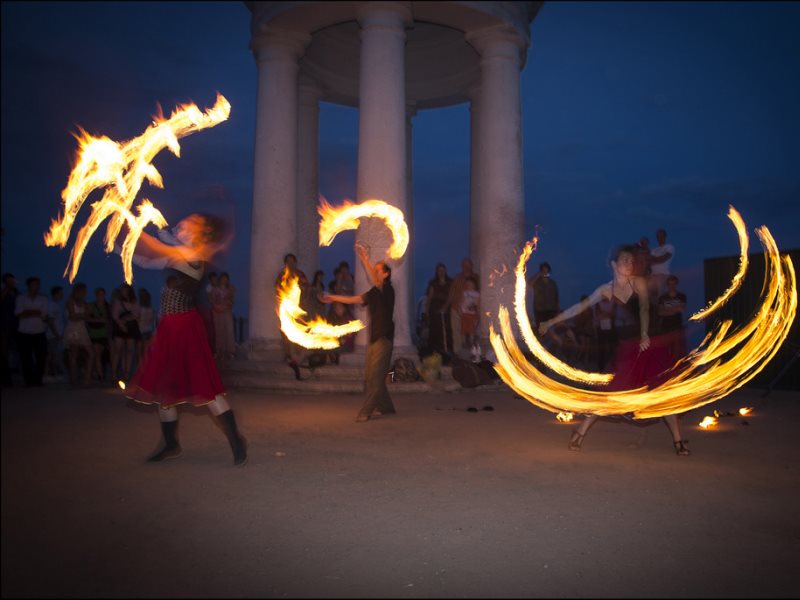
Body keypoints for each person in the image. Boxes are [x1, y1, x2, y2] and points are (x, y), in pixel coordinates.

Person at [540, 245, 691, 457]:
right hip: (629, 348)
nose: (629, 264)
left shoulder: (637, 282)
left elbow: (645, 308)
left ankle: (678, 439)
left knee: (661, 393)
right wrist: (551, 321)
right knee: (612, 394)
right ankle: (580, 432)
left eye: (631, 261)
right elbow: (578, 308)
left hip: (650, 344)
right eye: (624, 260)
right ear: (614, 264)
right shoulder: (605, 289)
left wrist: (646, 333)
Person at [124, 212, 247, 466]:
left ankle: (236, 439)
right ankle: (171, 444)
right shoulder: (178, 254)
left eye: (188, 224)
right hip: (169, 328)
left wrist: (133, 228)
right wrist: (122, 249)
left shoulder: (193, 257)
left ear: (198, 234)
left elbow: (158, 250)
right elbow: (147, 261)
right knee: (163, 389)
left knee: (207, 389)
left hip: (185, 329)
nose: (181, 225)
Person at [321, 241, 396, 422]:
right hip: (374, 338)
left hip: (384, 339)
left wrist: (364, 258)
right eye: (375, 269)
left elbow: (374, 279)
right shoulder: (373, 293)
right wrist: (333, 298)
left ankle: (366, 411)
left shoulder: (387, 289)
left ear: (385, 274)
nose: (375, 272)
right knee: (371, 377)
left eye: (379, 270)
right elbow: (353, 299)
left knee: (376, 377)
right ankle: (386, 407)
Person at [14, 276, 48, 386]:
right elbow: (18, 313)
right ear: (28, 285)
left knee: (41, 357)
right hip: (25, 332)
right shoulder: (21, 298)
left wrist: (27, 312)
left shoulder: (43, 299)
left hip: (39, 331)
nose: (36, 286)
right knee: (26, 357)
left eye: (37, 284)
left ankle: (38, 380)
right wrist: (35, 312)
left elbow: (44, 313)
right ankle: (28, 381)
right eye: (34, 284)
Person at [445, 258, 478, 358]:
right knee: (457, 332)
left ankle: (472, 355)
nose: (466, 267)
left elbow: (481, 294)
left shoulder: (477, 278)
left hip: (471, 312)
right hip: (456, 309)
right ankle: (458, 354)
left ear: (472, 266)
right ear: (462, 266)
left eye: (468, 265)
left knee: (472, 333)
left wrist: (478, 311)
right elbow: (451, 294)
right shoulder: (457, 278)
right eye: (464, 265)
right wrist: (446, 307)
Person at [63, 282, 95, 386]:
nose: (85, 293)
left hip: (81, 328)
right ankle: (73, 379)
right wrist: (84, 315)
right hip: (73, 329)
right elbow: (73, 317)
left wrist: (81, 315)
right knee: (73, 354)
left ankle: (87, 378)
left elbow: (86, 316)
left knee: (91, 353)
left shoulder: (84, 303)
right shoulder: (70, 301)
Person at [111, 283, 141, 382]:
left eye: (125, 289)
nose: (124, 291)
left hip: (131, 327)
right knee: (117, 350)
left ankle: (126, 374)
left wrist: (126, 319)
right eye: (122, 290)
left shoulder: (134, 301)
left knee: (129, 351)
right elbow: (114, 315)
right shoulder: (118, 301)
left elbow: (137, 314)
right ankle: (114, 373)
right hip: (120, 327)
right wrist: (121, 324)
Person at [657, 274, 688, 363]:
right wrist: (675, 308)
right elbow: (660, 312)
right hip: (665, 328)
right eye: (670, 284)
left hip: (677, 327)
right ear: (667, 285)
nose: (672, 286)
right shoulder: (662, 298)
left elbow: (681, 308)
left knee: (678, 352)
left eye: (673, 284)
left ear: (676, 284)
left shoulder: (681, 296)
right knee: (666, 352)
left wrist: (666, 308)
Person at [425, 263, 453, 358]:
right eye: (439, 270)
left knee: (446, 330)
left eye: (442, 270)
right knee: (434, 330)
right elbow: (429, 297)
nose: (441, 272)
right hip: (435, 309)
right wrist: (427, 311)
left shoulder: (450, 282)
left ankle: (446, 351)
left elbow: (450, 296)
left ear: (445, 271)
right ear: (436, 271)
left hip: (446, 310)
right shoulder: (433, 283)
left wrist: (445, 307)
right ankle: (434, 352)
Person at [87, 287, 112, 382]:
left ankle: (99, 374)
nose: (100, 296)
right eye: (99, 294)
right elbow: (87, 318)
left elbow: (109, 321)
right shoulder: (91, 306)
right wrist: (98, 320)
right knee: (96, 354)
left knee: (101, 354)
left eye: (102, 294)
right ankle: (100, 375)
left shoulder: (107, 306)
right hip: (94, 333)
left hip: (104, 333)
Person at [211, 272, 237, 360]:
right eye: (223, 279)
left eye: (226, 279)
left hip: (227, 311)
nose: (224, 280)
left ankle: (230, 351)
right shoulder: (215, 289)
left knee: (229, 331)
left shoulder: (231, 289)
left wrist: (227, 304)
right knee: (219, 332)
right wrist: (217, 306)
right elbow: (212, 300)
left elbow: (232, 300)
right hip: (217, 312)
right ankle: (219, 351)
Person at [45, 285, 66, 382]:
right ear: (56, 293)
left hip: (57, 333)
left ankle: (54, 373)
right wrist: (56, 334)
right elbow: (50, 320)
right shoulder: (51, 305)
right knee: (51, 354)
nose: (62, 294)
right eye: (61, 292)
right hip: (53, 334)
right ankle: (47, 374)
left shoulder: (58, 305)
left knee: (55, 354)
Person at [1, 273, 19, 386]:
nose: (11, 283)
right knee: (4, 352)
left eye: (12, 281)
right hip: (4, 325)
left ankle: (10, 376)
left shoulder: (17, 293)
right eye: (9, 281)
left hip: (16, 325)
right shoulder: (4, 292)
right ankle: (6, 379)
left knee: (15, 351)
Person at [529, 262, 560, 327]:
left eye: (547, 271)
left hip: (551, 310)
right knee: (541, 330)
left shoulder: (552, 283)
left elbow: (556, 297)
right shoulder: (537, 282)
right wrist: (538, 274)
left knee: (551, 329)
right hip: (540, 311)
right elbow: (529, 283)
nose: (545, 273)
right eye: (543, 271)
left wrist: (557, 311)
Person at [649, 228, 675, 302]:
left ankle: (662, 312)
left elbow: (663, 258)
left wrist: (654, 259)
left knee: (661, 296)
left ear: (665, 236)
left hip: (662, 275)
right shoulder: (654, 250)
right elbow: (649, 261)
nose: (659, 238)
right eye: (658, 236)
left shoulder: (669, 247)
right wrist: (655, 259)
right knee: (651, 297)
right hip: (652, 276)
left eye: (661, 236)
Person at [460, 275, 480, 355]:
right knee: (463, 329)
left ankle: (471, 343)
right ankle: (464, 343)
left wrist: (477, 313)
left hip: (472, 314)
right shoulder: (464, 292)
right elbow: (462, 301)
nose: (469, 285)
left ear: (474, 284)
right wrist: (460, 310)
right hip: (464, 313)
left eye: (471, 284)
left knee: (471, 329)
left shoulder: (477, 294)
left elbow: (478, 304)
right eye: (467, 284)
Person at [137, 288, 156, 360]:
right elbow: (152, 320)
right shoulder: (151, 309)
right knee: (146, 351)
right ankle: (145, 367)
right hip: (149, 330)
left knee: (139, 352)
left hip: (140, 330)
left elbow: (137, 319)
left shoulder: (140, 308)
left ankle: (140, 367)